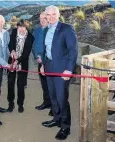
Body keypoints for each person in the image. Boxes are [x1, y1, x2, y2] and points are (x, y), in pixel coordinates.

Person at [41, 6, 78, 140]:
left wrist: (69, 69)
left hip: (62, 70)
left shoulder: (66, 28)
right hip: (49, 67)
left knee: (62, 98)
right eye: (48, 15)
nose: (50, 17)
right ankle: (56, 119)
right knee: (53, 97)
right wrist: (43, 66)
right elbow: (46, 50)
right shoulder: (47, 30)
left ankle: (65, 127)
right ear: (45, 16)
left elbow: (73, 50)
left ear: (58, 14)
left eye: (53, 14)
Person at [7, 19, 34, 113]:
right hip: (12, 61)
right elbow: (10, 44)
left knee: (20, 85)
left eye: (23, 27)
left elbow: (26, 53)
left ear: (26, 27)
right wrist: (12, 50)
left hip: (23, 63)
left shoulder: (30, 37)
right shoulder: (14, 32)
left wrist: (17, 61)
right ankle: (10, 103)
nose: (21, 29)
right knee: (10, 83)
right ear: (17, 27)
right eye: (20, 27)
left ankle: (20, 104)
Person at [32, 12, 52, 115]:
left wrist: (42, 58)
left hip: (49, 62)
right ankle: (46, 102)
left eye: (44, 18)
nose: (42, 20)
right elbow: (34, 45)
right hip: (40, 61)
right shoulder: (36, 30)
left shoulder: (51, 30)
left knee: (52, 85)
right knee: (44, 84)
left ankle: (54, 107)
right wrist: (37, 56)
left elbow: (49, 48)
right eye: (40, 19)